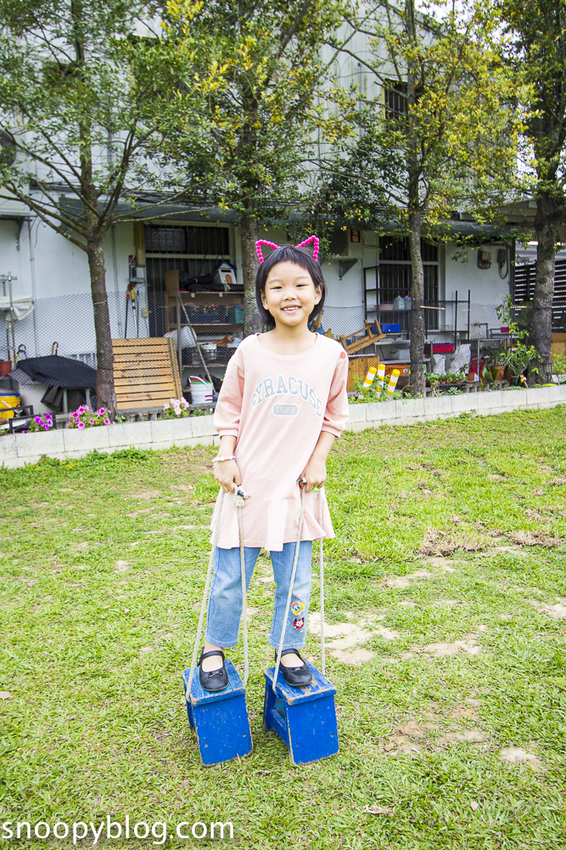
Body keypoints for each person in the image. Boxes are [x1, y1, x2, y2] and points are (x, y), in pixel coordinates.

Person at [198, 236, 349, 691]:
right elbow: (228, 409)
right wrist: (225, 455)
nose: (289, 295)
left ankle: (289, 647)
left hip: (297, 489)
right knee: (230, 580)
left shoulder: (332, 355)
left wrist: (319, 460)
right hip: (247, 487)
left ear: (317, 292)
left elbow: (334, 416)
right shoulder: (250, 350)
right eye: (277, 287)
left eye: (300, 285)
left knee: (297, 583)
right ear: (263, 298)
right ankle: (214, 650)